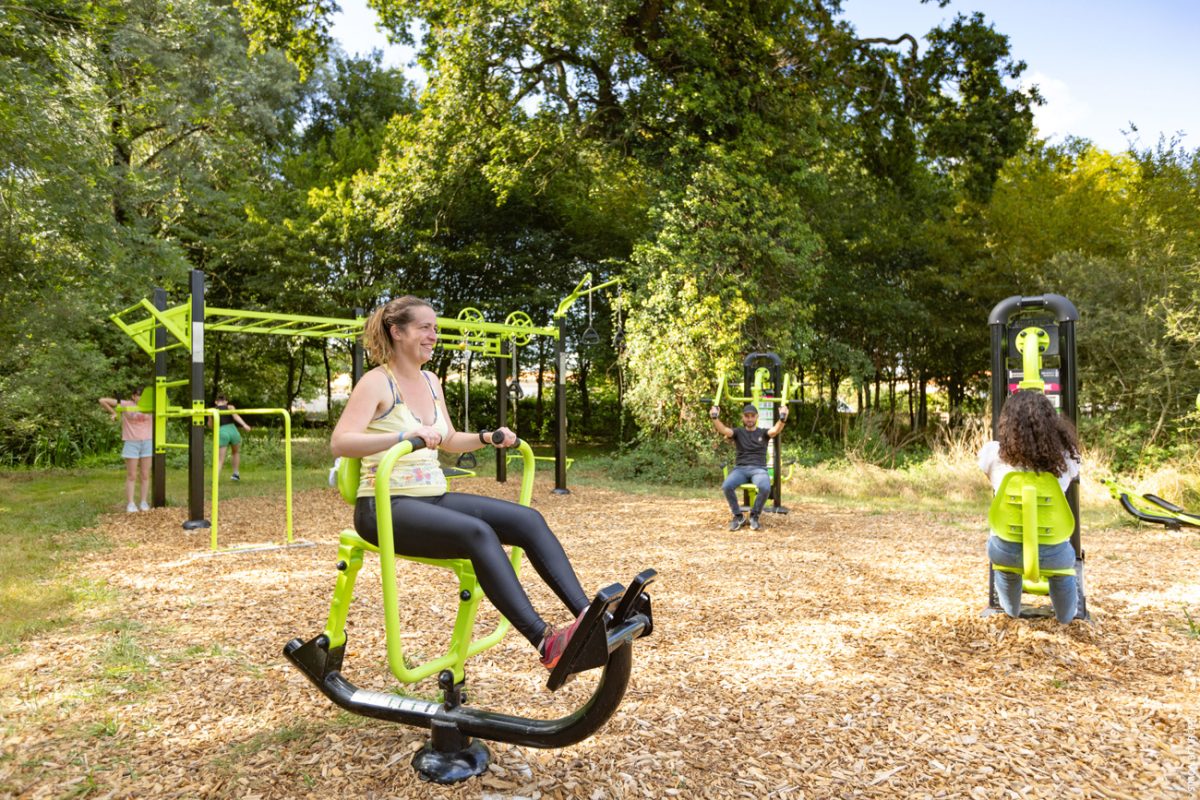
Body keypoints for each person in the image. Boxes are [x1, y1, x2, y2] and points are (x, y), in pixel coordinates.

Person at [331, 296, 590, 670]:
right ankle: (546, 641)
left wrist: (486, 437)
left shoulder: (431, 381)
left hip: (431, 497)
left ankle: (587, 615)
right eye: (425, 327)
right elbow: (341, 442)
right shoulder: (376, 383)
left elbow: (448, 440)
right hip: (384, 507)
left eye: (435, 328)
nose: (434, 335)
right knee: (478, 532)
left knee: (528, 520)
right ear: (397, 331)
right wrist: (403, 436)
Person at [978, 390, 1082, 624]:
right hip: (1054, 552)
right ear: (1050, 423)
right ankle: (1066, 619)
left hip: (1005, 549)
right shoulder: (1067, 457)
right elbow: (1073, 477)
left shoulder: (992, 453)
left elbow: (992, 483)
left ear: (1007, 423)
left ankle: (1011, 612)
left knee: (1006, 569)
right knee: (1062, 572)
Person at [710, 402, 788, 531]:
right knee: (726, 486)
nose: (750, 419)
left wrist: (782, 418)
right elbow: (724, 430)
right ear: (743, 417)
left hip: (759, 470)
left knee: (765, 487)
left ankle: (754, 516)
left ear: (757, 417)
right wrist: (714, 417)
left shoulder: (763, 433)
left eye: (752, 416)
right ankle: (738, 516)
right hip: (740, 469)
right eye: (747, 416)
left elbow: (775, 430)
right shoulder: (738, 432)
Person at [99, 388, 154, 513]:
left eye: (143, 396)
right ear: (133, 396)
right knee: (132, 475)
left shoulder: (151, 405)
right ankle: (131, 503)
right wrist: (114, 413)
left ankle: (144, 502)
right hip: (131, 442)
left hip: (147, 442)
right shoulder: (126, 405)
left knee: (145, 475)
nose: (141, 398)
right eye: (139, 395)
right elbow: (102, 400)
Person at [213, 394, 251, 481]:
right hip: (233, 431)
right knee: (235, 452)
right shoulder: (230, 407)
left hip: (222, 431)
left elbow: (211, 425)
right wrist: (244, 425)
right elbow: (236, 416)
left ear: (216, 402)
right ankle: (236, 474)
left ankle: (216, 479)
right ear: (226, 401)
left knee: (220, 459)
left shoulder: (212, 410)